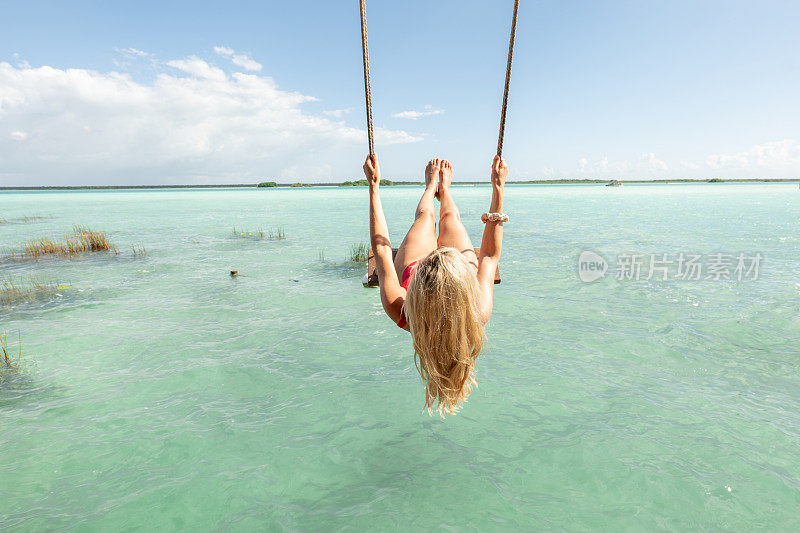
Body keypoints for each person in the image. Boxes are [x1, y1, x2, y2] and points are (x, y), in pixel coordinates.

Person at [364, 153, 507, 415]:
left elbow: (382, 250)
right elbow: (487, 256)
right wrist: (498, 188)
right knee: (450, 217)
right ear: (464, 291)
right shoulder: (476, 311)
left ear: (418, 289)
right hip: (455, 269)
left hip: (427, 269)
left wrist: (373, 186)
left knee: (426, 218)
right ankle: (445, 190)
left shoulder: (402, 309)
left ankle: (431, 188)